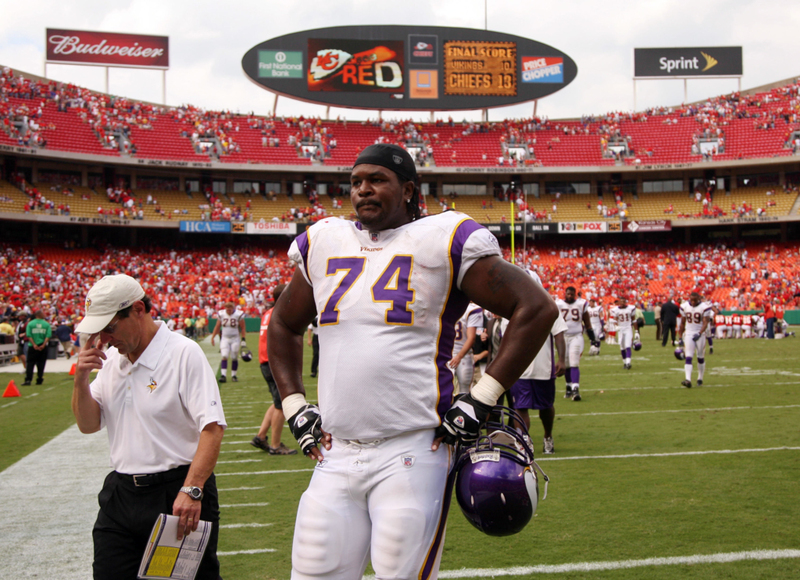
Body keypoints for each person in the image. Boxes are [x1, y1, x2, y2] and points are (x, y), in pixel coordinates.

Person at [267, 143, 558, 580]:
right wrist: (293, 404)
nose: (363, 190)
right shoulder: (325, 241)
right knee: (312, 573)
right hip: (336, 452)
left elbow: (535, 307)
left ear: (407, 189)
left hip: (413, 449)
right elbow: (283, 326)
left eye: (377, 180)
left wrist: (481, 398)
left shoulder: (442, 238)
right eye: (356, 182)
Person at [71, 274, 226, 580]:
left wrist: (192, 490)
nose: (104, 339)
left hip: (176, 492)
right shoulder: (112, 361)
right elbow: (88, 425)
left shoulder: (182, 353)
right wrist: (80, 380)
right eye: (99, 331)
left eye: (110, 328)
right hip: (121, 493)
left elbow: (212, 428)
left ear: (138, 310)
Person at [503, 271, 567, 454]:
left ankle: (548, 435)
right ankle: (523, 442)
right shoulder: (511, 307)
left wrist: (562, 359)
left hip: (542, 366)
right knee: (520, 406)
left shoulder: (549, 306)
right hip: (518, 366)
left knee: (546, 406)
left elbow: (559, 334)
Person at [251, 284, 298, 456]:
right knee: (282, 405)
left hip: (266, 361)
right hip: (274, 363)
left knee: (277, 401)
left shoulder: (268, 313)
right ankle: (275, 445)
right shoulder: (281, 312)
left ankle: (261, 436)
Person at [555, 286, 595, 401]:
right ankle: (568, 386)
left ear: (575, 294)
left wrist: (592, 339)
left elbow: (587, 323)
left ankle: (575, 389)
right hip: (562, 337)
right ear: (565, 294)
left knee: (574, 362)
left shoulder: (581, 304)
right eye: (568, 294)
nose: (570, 296)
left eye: (572, 294)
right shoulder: (558, 304)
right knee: (566, 364)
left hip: (576, 336)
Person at [678, 292, 712, 388]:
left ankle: (700, 378)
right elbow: (682, 323)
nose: (693, 302)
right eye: (691, 300)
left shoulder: (704, 307)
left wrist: (700, 333)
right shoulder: (684, 306)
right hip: (688, 333)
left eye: (695, 300)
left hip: (699, 333)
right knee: (688, 356)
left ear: (699, 299)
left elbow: (705, 322)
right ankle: (688, 379)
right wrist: (680, 337)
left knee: (700, 356)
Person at [448, 302, 484, 393]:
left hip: (461, 354)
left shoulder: (472, 309)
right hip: (455, 353)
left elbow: (471, 338)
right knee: (447, 388)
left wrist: (459, 356)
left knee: (464, 391)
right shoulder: (470, 309)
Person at [210, 301, 246, 382]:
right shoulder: (222, 314)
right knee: (224, 356)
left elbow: (243, 327)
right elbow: (217, 326)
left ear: (233, 309)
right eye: (227, 310)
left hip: (235, 338)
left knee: (234, 357)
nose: (228, 311)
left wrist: (243, 339)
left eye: (230, 310)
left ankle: (234, 375)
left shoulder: (238, 314)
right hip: (225, 338)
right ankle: (223, 375)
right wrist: (213, 337)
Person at [609, 296, 640, 369]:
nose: (622, 303)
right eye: (621, 302)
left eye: (623, 302)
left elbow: (634, 320)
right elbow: (615, 320)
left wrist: (636, 331)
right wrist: (616, 326)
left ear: (626, 302)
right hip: (620, 329)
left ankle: (628, 363)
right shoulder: (615, 310)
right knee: (622, 347)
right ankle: (625, 363)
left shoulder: (631, 308)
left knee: (628, 346)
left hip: (628, 328)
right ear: (619, 302)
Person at [23, 310, 51, 385]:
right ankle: (39, 378)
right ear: (40, 315)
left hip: (32, 346)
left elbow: (29, 335)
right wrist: (44, 344)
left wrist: (34, 344)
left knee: (30, 363)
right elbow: (48, 335)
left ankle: (28, 379)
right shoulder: (46, 324)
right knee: (41, 363)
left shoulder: (30, 324)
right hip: (42, 345)